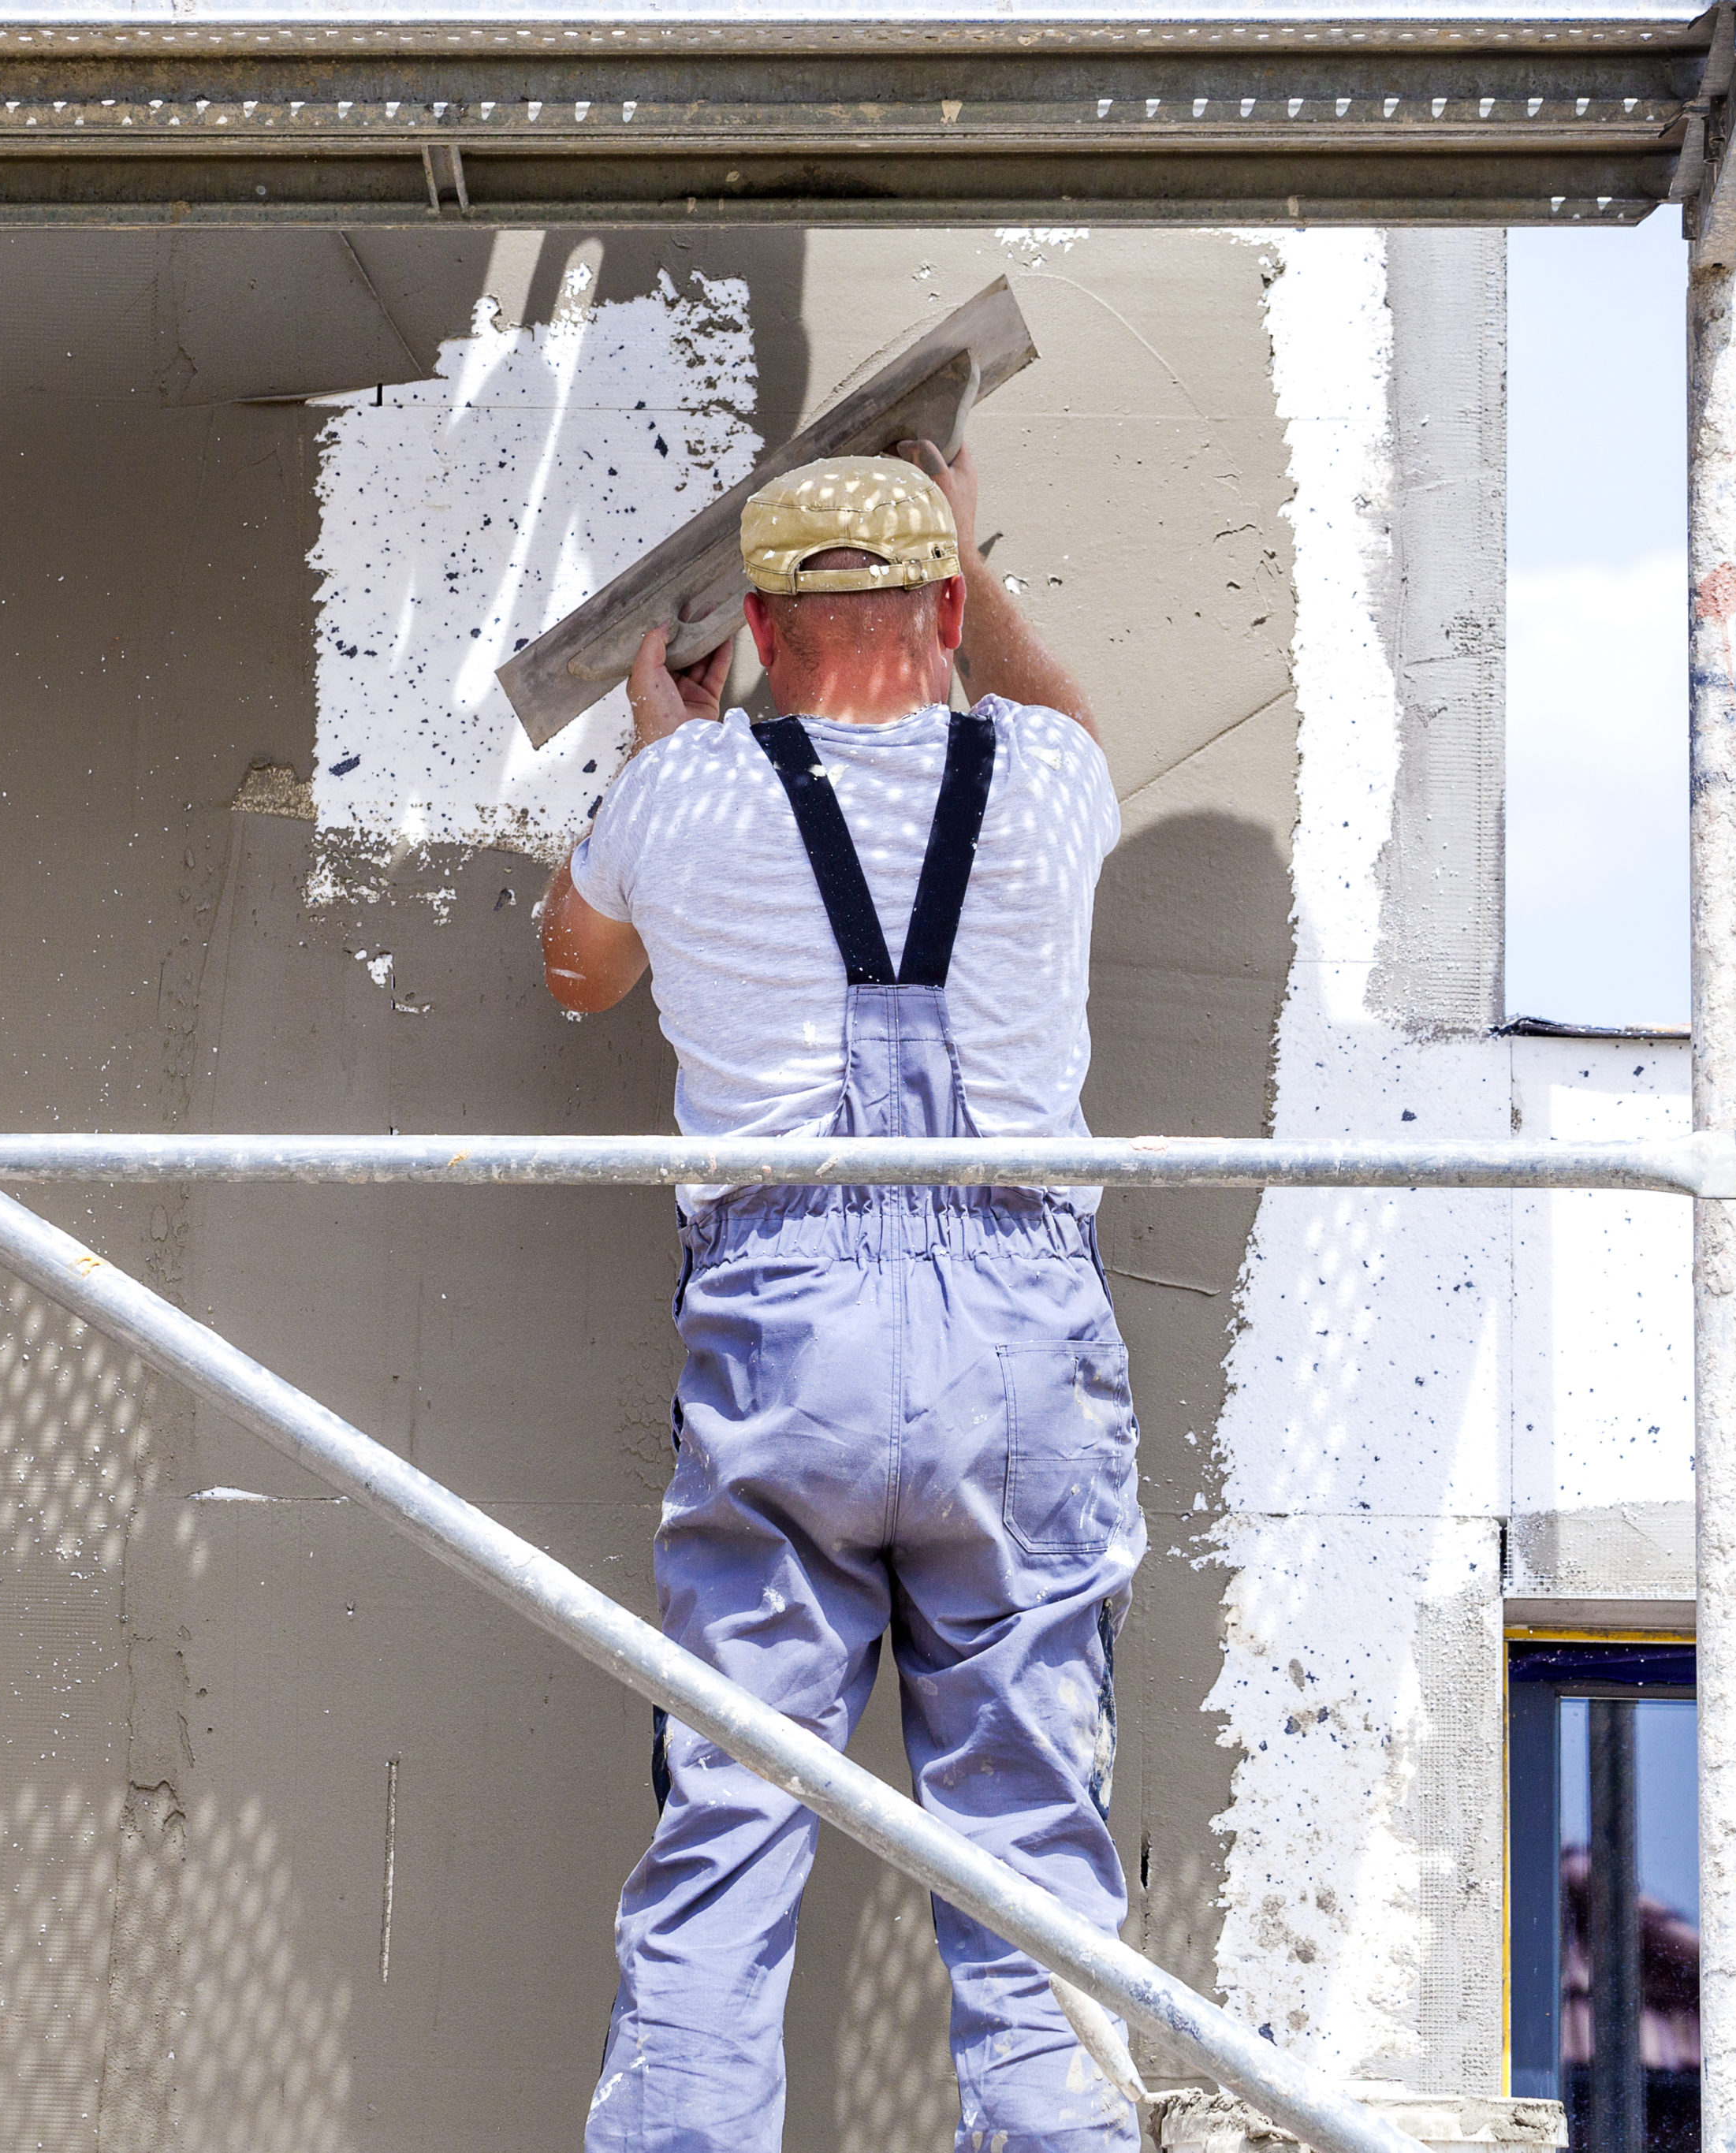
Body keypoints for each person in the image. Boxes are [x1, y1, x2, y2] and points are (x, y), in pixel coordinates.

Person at [542, 442, 1145, 2153]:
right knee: (1027, 1820)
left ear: (752, 621)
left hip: (786, 1323)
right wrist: (973, 548)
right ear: (946, 603)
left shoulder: (685, 794)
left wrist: (677, 748)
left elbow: (578, 972)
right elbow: (1058, 714)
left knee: (732, 1799)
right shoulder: (1041, 780)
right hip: (1017, 1323)